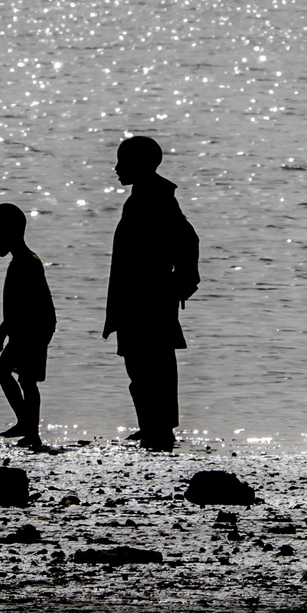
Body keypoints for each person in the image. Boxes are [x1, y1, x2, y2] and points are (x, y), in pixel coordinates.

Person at [101, 135, 199, 452]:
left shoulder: (155, 198)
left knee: (148, 365)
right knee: (146, 364)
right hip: (142, 296)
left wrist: (183, 280)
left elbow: (187, 240)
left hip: (146, 298)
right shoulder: (146, 196)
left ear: (141, 165)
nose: (116, 168)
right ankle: (153, 426)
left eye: (122, 162)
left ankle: (157, 429)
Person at [0, 202, 55, 449]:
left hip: (32, 330)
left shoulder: (26, 263)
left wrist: (2, 331)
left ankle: (26, 424)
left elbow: (24, 306)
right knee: (24, 379)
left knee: (10, 374)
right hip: (28, 328)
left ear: (9, 234)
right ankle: (30, 430)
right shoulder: (22, 261)